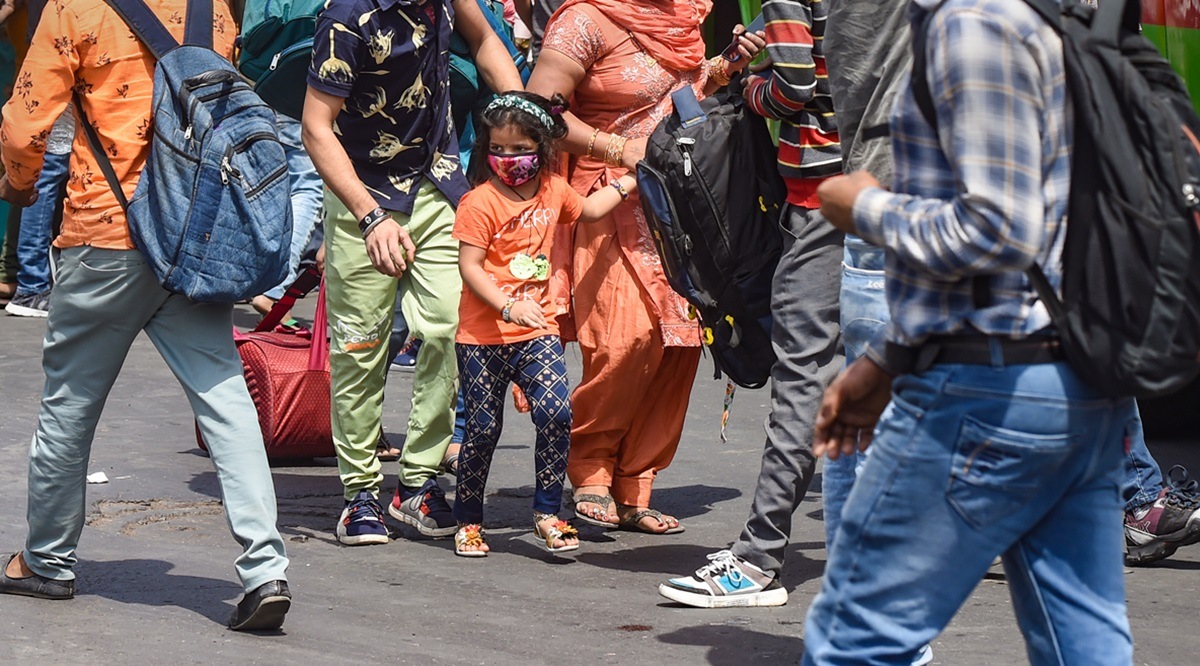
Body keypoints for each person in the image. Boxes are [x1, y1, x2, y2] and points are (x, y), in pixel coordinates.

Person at [802, 0, 1136, 662]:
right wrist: (889, 359)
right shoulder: (1051, 16)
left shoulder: (974, 20)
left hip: (988, 388)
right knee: (1083, 645)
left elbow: (1000, 230)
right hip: (1073, 381)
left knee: (854, 643)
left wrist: (862, 206)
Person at [0, 0, 291, 631]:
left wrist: (18, 188)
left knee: (70, 406)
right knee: (225, 401)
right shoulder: (211, 10)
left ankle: (47, 560)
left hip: (106, 238)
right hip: (192, 238)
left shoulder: (70, 10)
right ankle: (265, 568)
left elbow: (25, 128)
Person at [527, 0, 763, 534]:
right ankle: (589, 468)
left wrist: (725, 67)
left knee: (677, 345)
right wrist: (617, 148)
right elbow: (535, 110)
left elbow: (679, 92)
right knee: (623, 340)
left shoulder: (684, 13)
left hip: (680, 202)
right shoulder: (583, 21)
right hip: (607, 197)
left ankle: (636, 482)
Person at [302, 0, 523, 546]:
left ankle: (418, 482)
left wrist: (523, 112)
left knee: (453, 327)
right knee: (361, 343)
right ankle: (359, 495)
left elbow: (487, 40)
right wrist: (368, 215)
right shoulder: (347, 18)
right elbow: (315, 127)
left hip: (437, 183)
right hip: (364, 189)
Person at [657, 0, 843, 607]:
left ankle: (759, 559)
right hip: (886, 192)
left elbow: (793, 89)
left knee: (803, 377)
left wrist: (755, 83)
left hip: (823, 203)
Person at [450, 91, 638, 556]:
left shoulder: (555, 189)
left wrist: (630, 181)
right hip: (482, 338)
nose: (509, 158)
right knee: (481, 430)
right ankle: (469, 519)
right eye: (499, 149)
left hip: (539, 331)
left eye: (519, 149)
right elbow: (470, 268)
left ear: (542, 147)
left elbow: (589, 211)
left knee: (555, 413)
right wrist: (508, 306)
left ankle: (548, 512)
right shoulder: (478, 203)